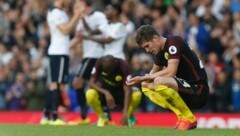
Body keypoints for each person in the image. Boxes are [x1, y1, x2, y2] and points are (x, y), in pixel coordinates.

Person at [126, 25, 209, 130]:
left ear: (155, 38)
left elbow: (171, 72)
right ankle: (182, 116)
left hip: (199, 91)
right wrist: (139, 80)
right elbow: (150, 76)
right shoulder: (160, 53)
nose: (147, 50)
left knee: (159, 81)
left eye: (147, 46)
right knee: (145, 85)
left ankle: (189, 118)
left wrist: (144, 77)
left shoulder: (174, 42)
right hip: (185, 90)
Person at [40, 0, 84, 125]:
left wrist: (76, 38)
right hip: (58, 53)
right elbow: (65, 30)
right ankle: (54, 117)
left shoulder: (61, 13)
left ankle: (47, 115)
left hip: (61, 51)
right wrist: (77, 15)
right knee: (57, 84)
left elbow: (65, 35)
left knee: (56, 84)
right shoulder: (55, 12)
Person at [68, 0, 108, 125]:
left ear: (87, 6)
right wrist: (65, 48)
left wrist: (83, 19)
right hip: (88, 55)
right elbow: (79, 37)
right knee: (91, 85)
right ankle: (97, 116)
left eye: (79, 5)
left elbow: (97, 32)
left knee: (79, 83)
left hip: (96, 55)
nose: (76, 8)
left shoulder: (99, 16)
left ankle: (87, 117)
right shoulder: (81, 20)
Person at [86, 55, 142, 126]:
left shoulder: (123, 66)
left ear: (115, 63)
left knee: (137, 94)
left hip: (121, 93)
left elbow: (128, 90)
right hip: (105, 93)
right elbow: (91, 83)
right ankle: (103, 117)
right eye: (106, 70)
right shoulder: (99, 62)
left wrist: (124, 113)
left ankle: (128, 117)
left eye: (110, 69)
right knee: (90, 93)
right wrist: (106, 92)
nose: (108, 72)